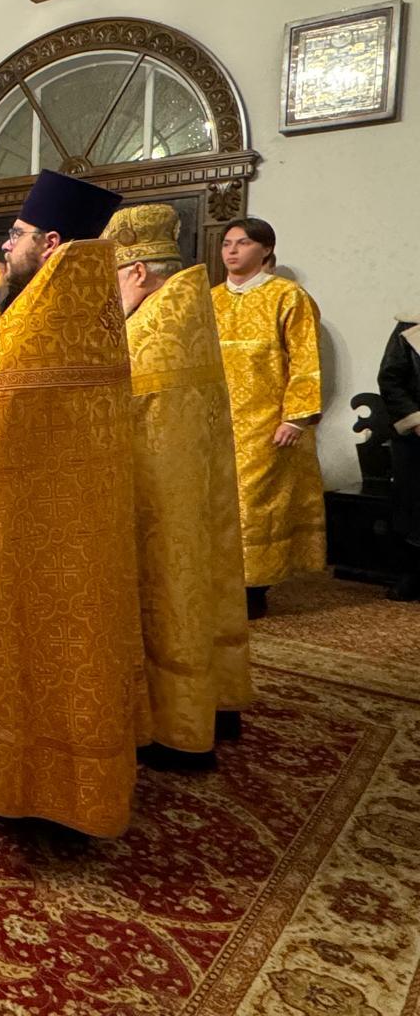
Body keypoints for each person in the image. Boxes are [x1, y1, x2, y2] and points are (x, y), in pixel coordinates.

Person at [0, 169, 142, 837]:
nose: (6, 245)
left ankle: (14, 779)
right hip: (73, 522)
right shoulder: (84, 302)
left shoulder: (52, 309)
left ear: (50, 242)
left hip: (23, 523)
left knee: (17, 643)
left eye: (16, 234)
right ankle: (74, 787)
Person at [105, 204, 252, 759]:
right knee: (201, 586)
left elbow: (104, 398)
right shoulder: (186, 310)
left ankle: (176, 726)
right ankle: (215, 700)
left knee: (168, 595)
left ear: (138, 271)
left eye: (112, 278)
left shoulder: (150, 330)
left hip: (161, 500)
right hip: (194, 486)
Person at [211, 217, 326, 618]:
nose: (231, 250)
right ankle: (217, 583)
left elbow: (306, 359)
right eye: (227, 243)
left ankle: (253, 588)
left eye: (242, 243)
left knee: (254, 504)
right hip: (213, 421)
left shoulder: (288, 296)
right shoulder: (210, 299)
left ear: (266, 250)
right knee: (215, 501)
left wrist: (295, 418)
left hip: (265, 421)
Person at [379, 311, 420, 601]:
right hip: (415, 437)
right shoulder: (410, 327)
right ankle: (412, 574)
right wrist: (415, 420)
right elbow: (390, 379)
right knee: (413, 505)